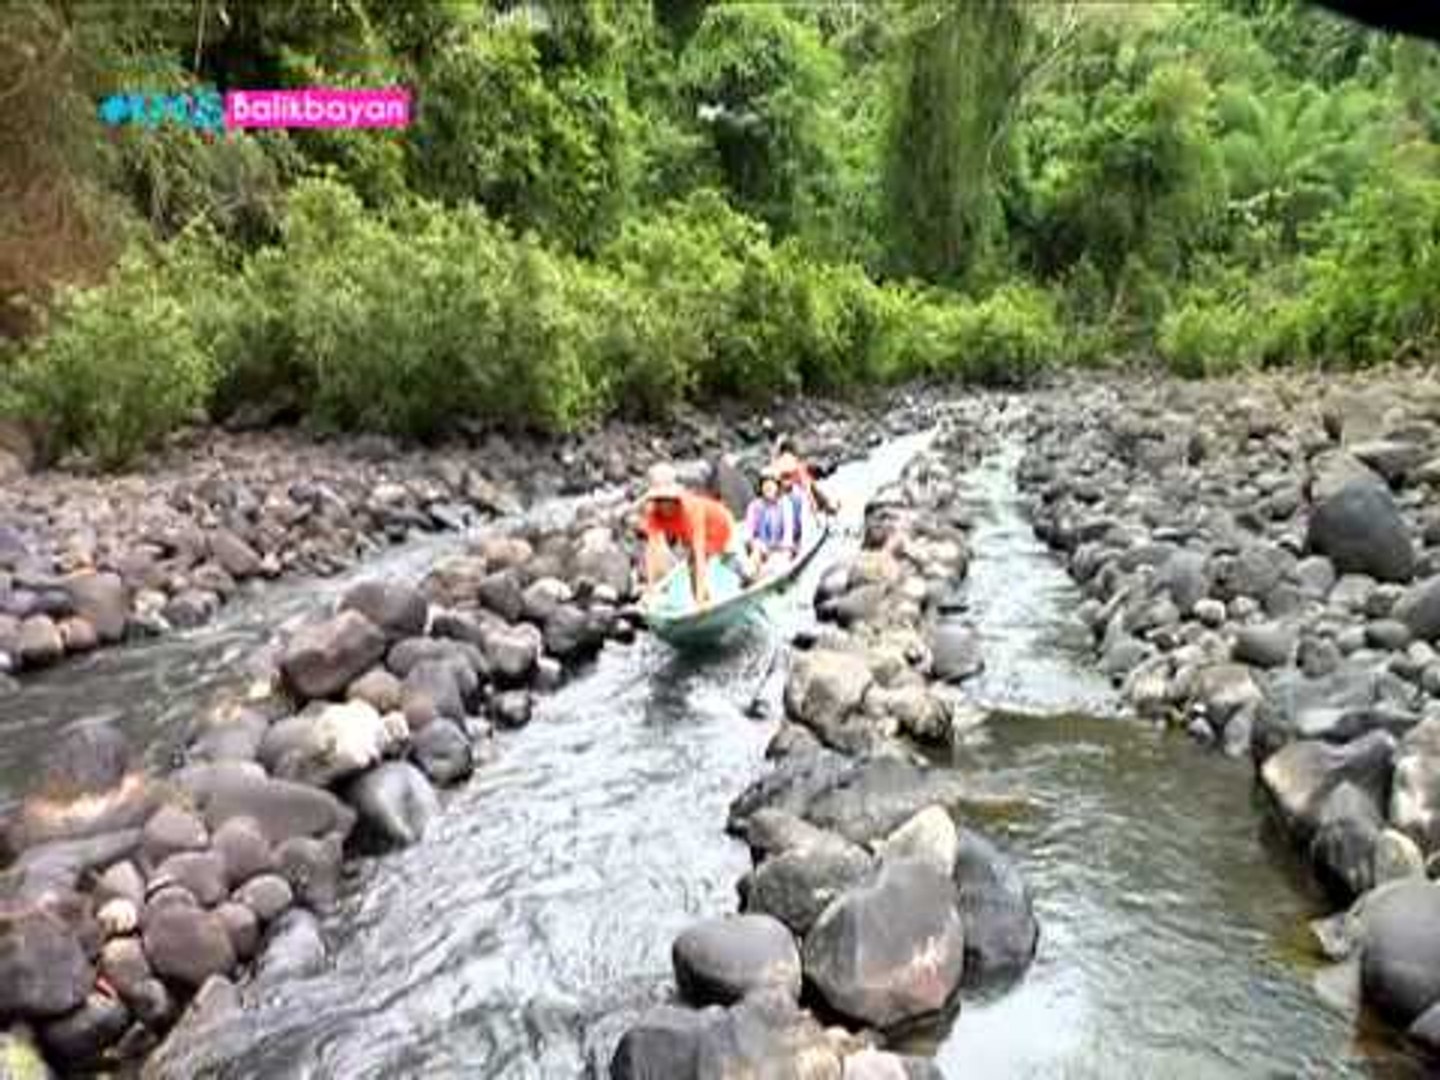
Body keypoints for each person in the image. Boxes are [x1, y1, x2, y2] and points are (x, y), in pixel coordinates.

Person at [640, 462, 746, 609]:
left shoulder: (691, 509)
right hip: (690, 535)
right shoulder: (653, 513)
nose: (664, 506)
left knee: (727, 559)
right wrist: (650, 587)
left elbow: (699, 552)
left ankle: (746, 577)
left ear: (675, 499)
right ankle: (702, 601)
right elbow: (651, 551)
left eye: (667, 500)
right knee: (692, 566)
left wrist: (701, 599)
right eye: (660, 500)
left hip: (720, 525)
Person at [772, 445, 839, 547]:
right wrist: (816, 517)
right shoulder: (798, 468)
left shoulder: (777, 466)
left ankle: (830, 509)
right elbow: (808, 491)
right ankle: (830, 509)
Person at [743, 467, 797, 576]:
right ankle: (751, 573)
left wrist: (783, 547)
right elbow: (748, 531)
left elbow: (788, 530)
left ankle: (764, 572)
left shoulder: (785, 503)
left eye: (771, 484)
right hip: (762, 548)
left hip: (782, 547)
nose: (767, 487)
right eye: (764, 484)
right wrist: (751, 542)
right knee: (757, 550)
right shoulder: (754, 506)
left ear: (777, 486)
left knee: (778, 559)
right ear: (761, 487)